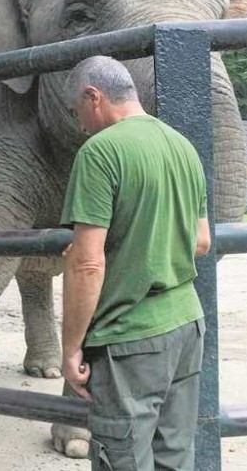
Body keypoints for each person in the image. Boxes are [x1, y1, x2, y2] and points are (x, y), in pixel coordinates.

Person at [56, 56, 212, 470]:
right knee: (175, 458)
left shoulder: (100, 152)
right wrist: (150, 245)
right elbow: (201, 241)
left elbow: (87, 264)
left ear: (94, 97)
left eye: (77, 113)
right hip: (186, 327)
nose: (80, 125)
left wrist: (70, 350)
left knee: (121, 458)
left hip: (130, 339)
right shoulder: (182, 146)